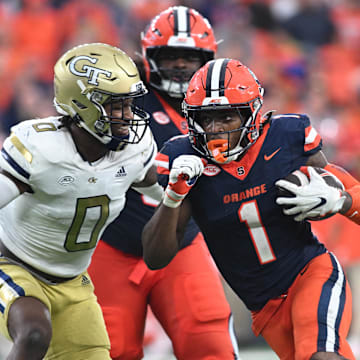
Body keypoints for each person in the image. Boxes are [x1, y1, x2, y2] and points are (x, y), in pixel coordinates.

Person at [142, 57, 360, 359]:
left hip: (311, 274)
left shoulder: (287, 137)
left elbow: (349, 189)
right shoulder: (182, 156)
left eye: (226, 117)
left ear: (252, 114)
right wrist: (173, 196)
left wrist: (341, 200)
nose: (214, 129)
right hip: (264, 308)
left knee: (321, 356)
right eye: (205, 118)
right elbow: (155, 257)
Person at [88, 6, 240, 360]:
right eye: (170, 56)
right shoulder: (125, 94)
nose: (180, 66)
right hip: (113, 243)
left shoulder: (223, 105)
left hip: (181, 244)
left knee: (208, 341)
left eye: (189, 57)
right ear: (148, 56)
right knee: (109, 349)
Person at [0, 42, 163, 360]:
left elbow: (160, 190)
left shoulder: (134, 150)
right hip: (14, 266)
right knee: (34, 334)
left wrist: (187, 193)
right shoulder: (40, 148)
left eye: (130, 104)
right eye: (117, 105)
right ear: (83, 104)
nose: (128, 115)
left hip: (73, 281)